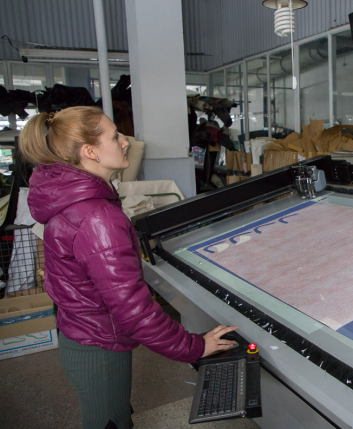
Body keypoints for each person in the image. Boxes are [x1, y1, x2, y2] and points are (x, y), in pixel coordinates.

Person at [20, 106, 238, 429]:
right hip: (100, 348)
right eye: (115, 137)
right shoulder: (97, 218)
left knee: (112, 414)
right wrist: (194, 346)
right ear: (90, 152)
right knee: (110, 422)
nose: (125, 142)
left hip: (81, 336)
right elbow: (133, 310)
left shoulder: (70, 201)